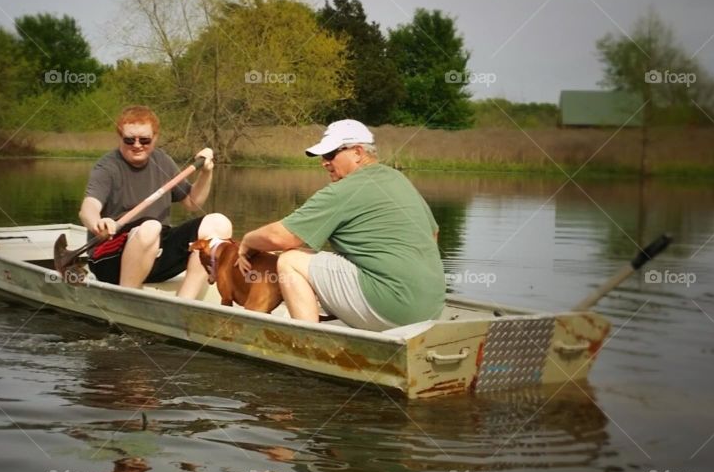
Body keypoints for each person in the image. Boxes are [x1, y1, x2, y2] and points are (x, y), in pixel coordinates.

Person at [236, 119, 444, 330]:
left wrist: (247, 241)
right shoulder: (397, 178)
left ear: (357, 152)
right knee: (313, 255)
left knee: (290, 260)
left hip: (393, 309)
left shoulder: (342, 190)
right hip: (432, 308)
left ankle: (307, 338)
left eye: (330, 155)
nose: (324, 162)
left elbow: (279, 237)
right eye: (323, 156)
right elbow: (433, 235)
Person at [78, 106, 231, 298]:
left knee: (219, 222)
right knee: (150, 226)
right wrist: (98, 223)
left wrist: (206, 173)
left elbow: (192, 203)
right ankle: (126, 298)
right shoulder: (107, 166)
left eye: (144, 140)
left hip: (155, 253)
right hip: (110, 259)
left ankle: (184, 304)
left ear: (155, 138)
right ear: (120, 137)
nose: (137, 145)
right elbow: (88, 208)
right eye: (129, 139)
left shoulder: (163, 161)